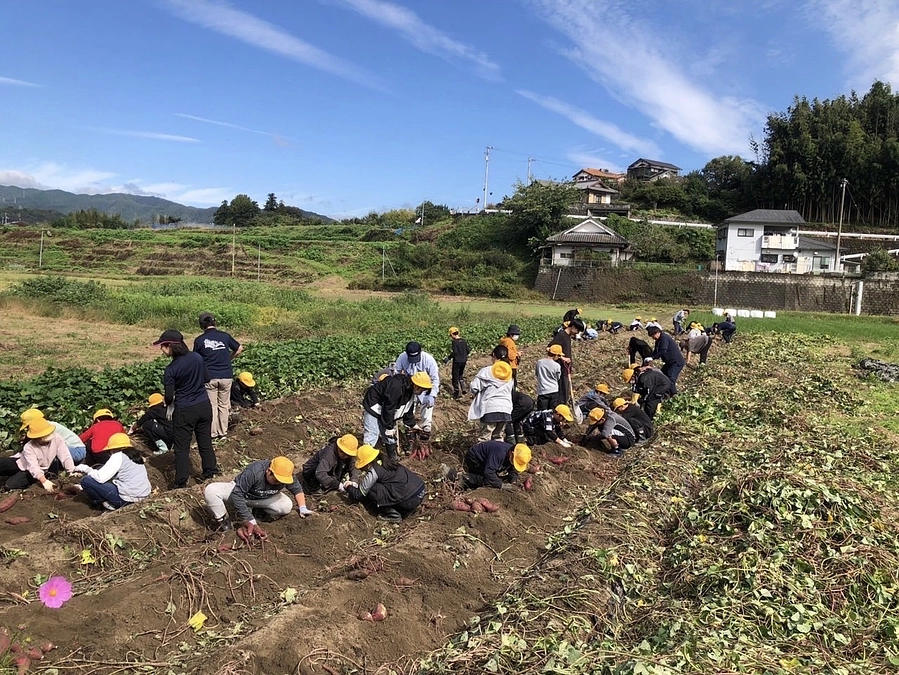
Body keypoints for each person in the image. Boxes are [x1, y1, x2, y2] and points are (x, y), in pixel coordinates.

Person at [155, 329, 219, 489]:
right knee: (205, 442)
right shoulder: (197, 357)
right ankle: (210, 473)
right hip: (204, 405)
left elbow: (169, 397)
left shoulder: (171, 369)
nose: (162, 350)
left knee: (182, 447)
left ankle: (181, 482)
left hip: (185, 410)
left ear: (170, 346)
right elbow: (207, 378)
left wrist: (167, 400)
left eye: (162, 346)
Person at [205, 456, 312, 537]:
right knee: (211, 491)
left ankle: (259, 512)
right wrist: (249, 518)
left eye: (281, 481)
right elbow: (237, 494)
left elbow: (297, 489)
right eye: (275, 480)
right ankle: (226, 525)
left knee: (286, 506)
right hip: (240, 494)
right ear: (268, 471)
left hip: (263, 498)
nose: (277, 483)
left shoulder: (286, 474)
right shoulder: (254, 472)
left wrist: (303, 508)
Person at [343, 444, 426, 523]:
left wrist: (348, 486)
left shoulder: (374, 470)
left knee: (372, 489)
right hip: (419, 492)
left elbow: (358, 494)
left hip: (409, 501)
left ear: (367, 464)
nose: (362, 470)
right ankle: (404, 509)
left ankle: (393, 515)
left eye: (362, 467)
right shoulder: (386, 461)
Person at [193, 312, 243, 440]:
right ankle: (223, 432)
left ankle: (213, 433)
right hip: (226, 375)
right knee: (224, 404)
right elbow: (239, 348)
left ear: (201, 325)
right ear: (214, 322)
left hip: (210, 377)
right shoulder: (224, 336)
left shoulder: (199, 340)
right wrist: (229, 358)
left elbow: (196, 359)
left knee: (212, 405)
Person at [362, 370, 433, 459]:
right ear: (416, 385)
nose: (422, 392)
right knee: (372, 434)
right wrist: (389, 427)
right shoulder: (396, 387)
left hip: (386, 410)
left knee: (391, 437)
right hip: (374, 405)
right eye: (422, 389)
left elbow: (407, 410)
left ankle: (393, 457)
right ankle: (364, 459)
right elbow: (389, 408)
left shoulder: (410, 391)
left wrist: (413, 425)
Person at [75, 432, 151, 511]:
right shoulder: (135, 455)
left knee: (86, 480)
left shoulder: (118, 456)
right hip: (143, 495)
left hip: (127, 499)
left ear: (113, 449)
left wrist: (86, 469)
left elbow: (100, 478)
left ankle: (104, 505)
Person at [0, 418, 78, 491]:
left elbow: (65, 455)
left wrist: (71, 470)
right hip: (22, 462)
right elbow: (33, 465)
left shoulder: (57, 438)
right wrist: (44, 481)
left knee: (9, 485)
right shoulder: (29, 447)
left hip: (36, 471)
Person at [394, 341, 440, 443]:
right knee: (408, 408)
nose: (413, 361)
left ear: (420, 352)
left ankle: (426, 429)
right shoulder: (402, 358)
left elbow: (435, 379)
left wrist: (432, 395)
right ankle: (410, 431)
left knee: (427, 405)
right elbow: (396, 374)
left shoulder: (429, 360)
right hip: (409, 387)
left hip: (424, 388)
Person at [446, 440, 531, 490]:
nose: (513, 463)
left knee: (495, 479)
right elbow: (489, 472)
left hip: (486, 461)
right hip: (475, 459)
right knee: (486, 480)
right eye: (514, 461)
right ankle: (460, 477)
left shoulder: (511, 453)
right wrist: (501, 485)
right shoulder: (500, 453)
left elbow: (512, 469)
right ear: (512, 453)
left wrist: (513, 480)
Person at [468, 360, 514, 442]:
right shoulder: (509, 373)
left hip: (490, 408)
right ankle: (498, 454)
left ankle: (482, 454)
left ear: (494, 355)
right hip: (505, 409)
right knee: (498, 437)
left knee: (484, 438)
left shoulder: (487, 371)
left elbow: (474, 387)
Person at [19, 409, 86, 463]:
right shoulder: (47, 425)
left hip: (77, 451)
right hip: (76, 450)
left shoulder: (47, 428)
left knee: (48, 447)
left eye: (28, 426)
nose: (27, 428)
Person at [548, 319, 583, 406]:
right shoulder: (561, 335)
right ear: (573, 327)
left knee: (565, 391)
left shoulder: (568, 336)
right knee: (563, 392)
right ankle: (559, 410)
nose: (577, 333)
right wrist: (562, 358)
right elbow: (549, 348)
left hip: (566, 368)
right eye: (577, 330)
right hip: (561, 368)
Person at [647, 325, 685, 394]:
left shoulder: (664, 338)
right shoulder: (658, 341)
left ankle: (674, 396)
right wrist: (650, 357)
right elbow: (656, 352)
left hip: (676, 362)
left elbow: (663, 351)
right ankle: (665, 392)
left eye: (653, 335)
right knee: (662, 376)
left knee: (670, 379)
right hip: (669, 363)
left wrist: (652, 358)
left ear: (658, 333)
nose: (653, 338)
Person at [444, 327, 471, 399]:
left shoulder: (454, 342)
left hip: (457, 361)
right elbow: (468, 350)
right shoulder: (463, 341)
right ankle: (463, 388)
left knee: (455, 376)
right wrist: (463, 355)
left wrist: (448, 358)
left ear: (452, 335)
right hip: (464, 360)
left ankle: (456, 393)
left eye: (450, 335)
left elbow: (455, 352)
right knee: (460, 375)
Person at [534, 344, 564, 410]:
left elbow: (537, 374)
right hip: (554, 390)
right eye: (559, 355)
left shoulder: (539, 362)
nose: (559, 357)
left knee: (542, 413)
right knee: (552, 412)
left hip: (543, 391)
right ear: (555, 355)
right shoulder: (557, 366)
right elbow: (558, 377)